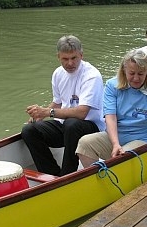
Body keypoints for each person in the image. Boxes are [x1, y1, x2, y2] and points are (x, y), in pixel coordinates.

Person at [21, 35, 105, 176]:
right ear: (58, 56)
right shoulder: (58, 74)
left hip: (91, 127)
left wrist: (48, 112)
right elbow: (58, 102)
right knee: (29, 130)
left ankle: (67, 175)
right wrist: (39, 114)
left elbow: (82, 113)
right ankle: (50, 174)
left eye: (74, 58)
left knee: (72, 124)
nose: (70, 63)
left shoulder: (92, 75)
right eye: (65, 59)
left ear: (81, 55)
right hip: (66, 126)